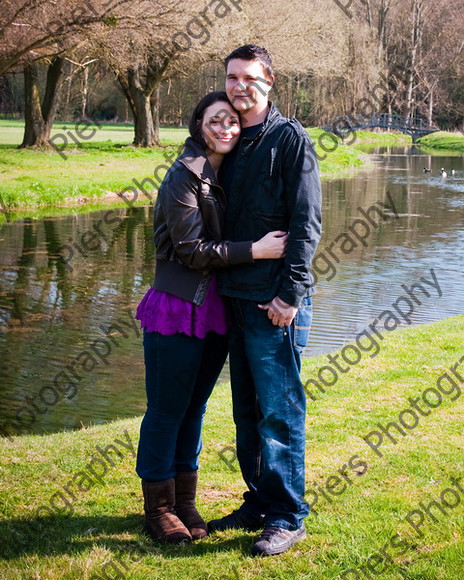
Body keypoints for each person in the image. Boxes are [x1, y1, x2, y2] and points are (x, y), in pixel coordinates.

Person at [135, 91, 287, 545]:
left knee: (195, 410)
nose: (226, 128)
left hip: (217, 312)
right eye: (216, 120)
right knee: (165, 412)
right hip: (177, 308)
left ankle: (185, 502)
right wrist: (255, 250)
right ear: (198, 124)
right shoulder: (183, 177)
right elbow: (191, 251)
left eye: (233, 121)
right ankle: (158, 510)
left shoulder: (230, 176)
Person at [207, 45, 322, 557]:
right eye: (232, 77)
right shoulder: (228, 139)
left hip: (274, 304)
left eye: (250, 78)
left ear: (270, 81)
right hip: (233, 296)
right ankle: (258, 499)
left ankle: (287, 514)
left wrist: (290, 294)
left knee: (279, 412)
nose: (239, 86)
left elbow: (306, 223)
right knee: (246, 412)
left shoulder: (289, 139)